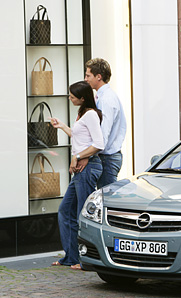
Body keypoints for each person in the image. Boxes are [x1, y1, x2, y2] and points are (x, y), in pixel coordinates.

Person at [50, 81, 104, 270]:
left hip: (87, 168)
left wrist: (78, 156)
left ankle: (86, 260)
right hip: (82, 169)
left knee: (84, 214)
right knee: (66, 211)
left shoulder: (90, 115)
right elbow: (79, 136)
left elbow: (99, 144)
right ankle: (71, 256)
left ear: (82, 98)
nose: (69, 98)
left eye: (72, 96)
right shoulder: (83, 113)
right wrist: (62, 126)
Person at [84, 58, 127, 189]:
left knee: (106, 201)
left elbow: (102, 135)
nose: (86, 79)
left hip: (107, 158)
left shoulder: (106, 100)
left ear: (99, 77)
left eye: (88, 75)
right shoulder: (104, 97)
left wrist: (86, 154)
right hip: (106, 157)